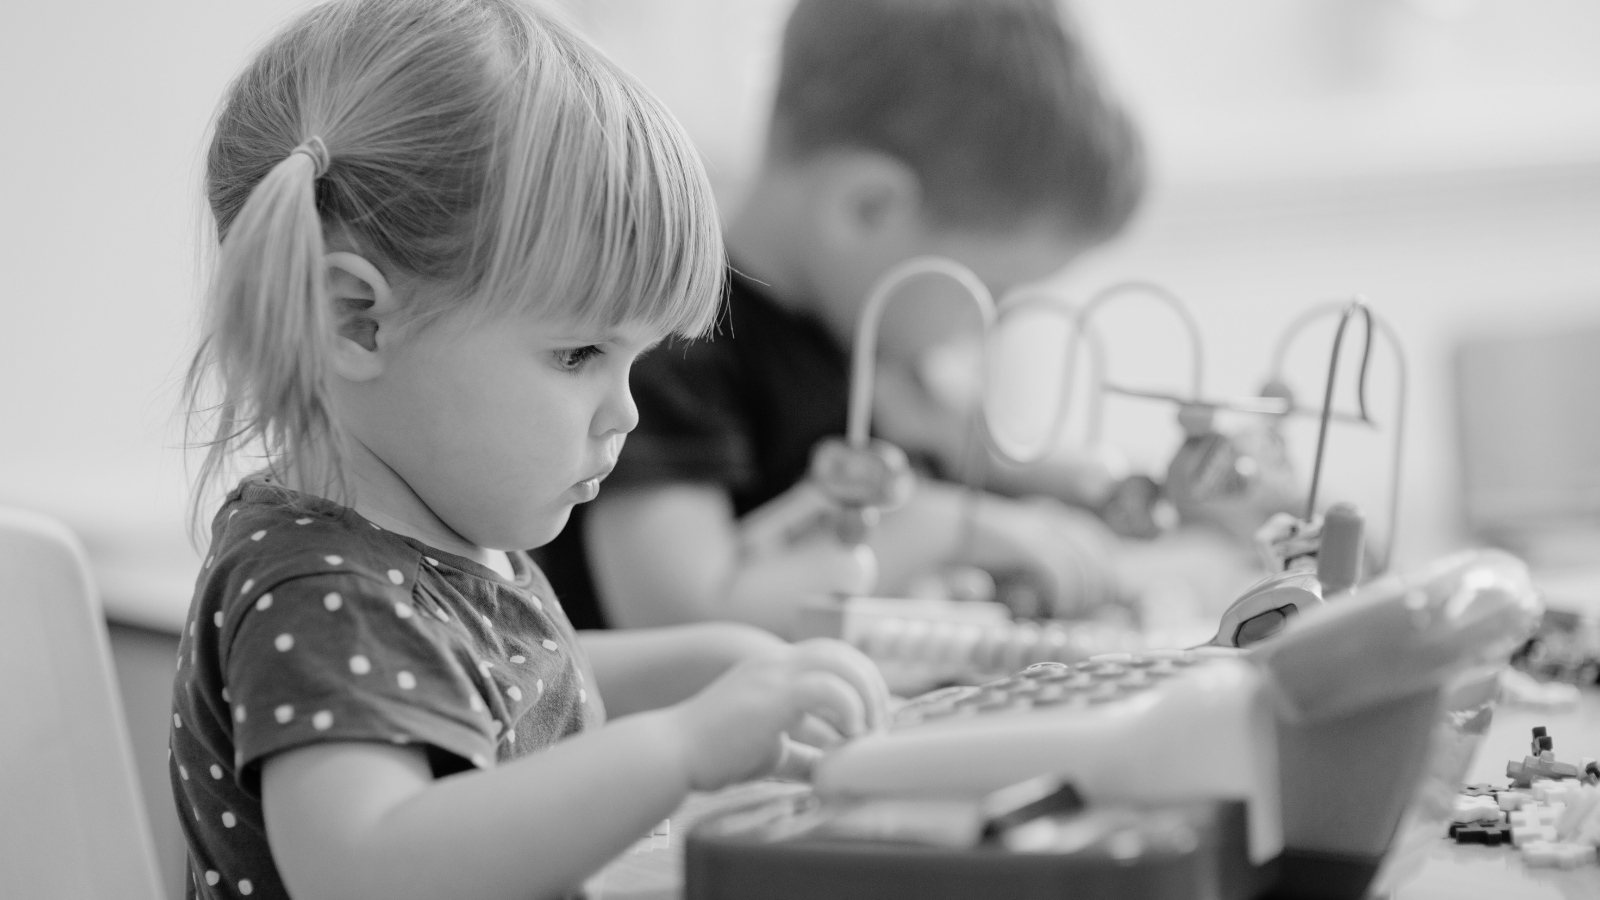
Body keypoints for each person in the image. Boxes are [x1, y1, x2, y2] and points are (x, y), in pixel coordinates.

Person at [169, 3, 888, 898]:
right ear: (356, 318)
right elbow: (371, 867)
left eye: (636, 361)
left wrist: (716, 664)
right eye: (580, 354)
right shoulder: (323, 596)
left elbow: (517, 690)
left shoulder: (422, 545)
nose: (624, 414)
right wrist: (680, 747)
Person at [537, 0, 1146, 635]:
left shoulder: (856, 334)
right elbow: (679, 612)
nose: (990, 325)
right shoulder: (672, 341)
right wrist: (942, 530)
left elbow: (973, 466)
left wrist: (1066, 487)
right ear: (868, 208)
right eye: (991, 290)